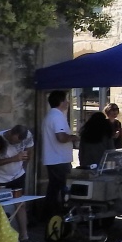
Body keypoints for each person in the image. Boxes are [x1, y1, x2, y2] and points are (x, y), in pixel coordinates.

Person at [0, 125, 40, 242]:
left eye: (19, 142)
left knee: (21, 204)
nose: (17, 144)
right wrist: (14, 159)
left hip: (18, 176)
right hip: (0, 178)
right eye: (15, 141)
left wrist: (23, 168)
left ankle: (24, 237)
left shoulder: (28, 136)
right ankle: (1, 238)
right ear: (10, 133)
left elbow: (29, 151)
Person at [42, 90, 78, 222]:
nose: (68, 102)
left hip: (54, 158)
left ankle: (49, 215)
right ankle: (61, 216)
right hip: (59, 159)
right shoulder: (57, 117)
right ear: (61, 102)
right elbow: (61, 137)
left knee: (53, 188)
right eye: (66, 100)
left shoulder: (51, 115)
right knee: (62, 188)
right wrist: (74, 137)